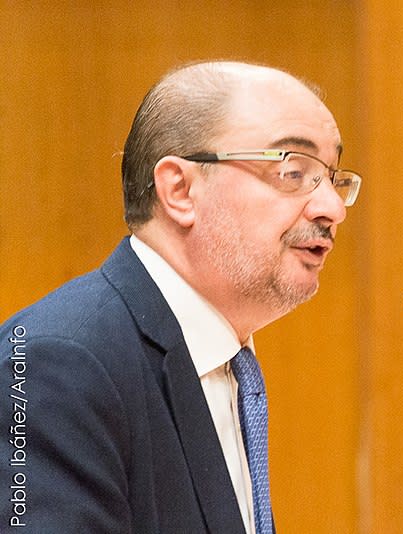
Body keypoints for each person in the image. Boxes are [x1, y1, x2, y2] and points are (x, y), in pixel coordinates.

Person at [0, 60, 362, 533]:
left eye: (334, 179)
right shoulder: (59, 364)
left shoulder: (228, 364)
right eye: (293, 170)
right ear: (180, 190)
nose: (333, 207)